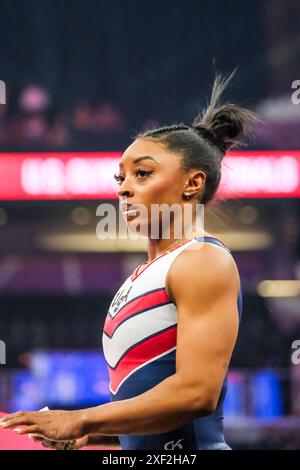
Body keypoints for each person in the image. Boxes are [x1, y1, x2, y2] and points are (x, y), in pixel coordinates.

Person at [0, 73, 258, 450]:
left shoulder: (202, 260)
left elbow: (196, 394)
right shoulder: (143, 275)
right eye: (120, 177)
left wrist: (79, 418)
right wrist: (91, 435)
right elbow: (145, 402)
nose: (123, 188)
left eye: (143, 173)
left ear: (192, 183)